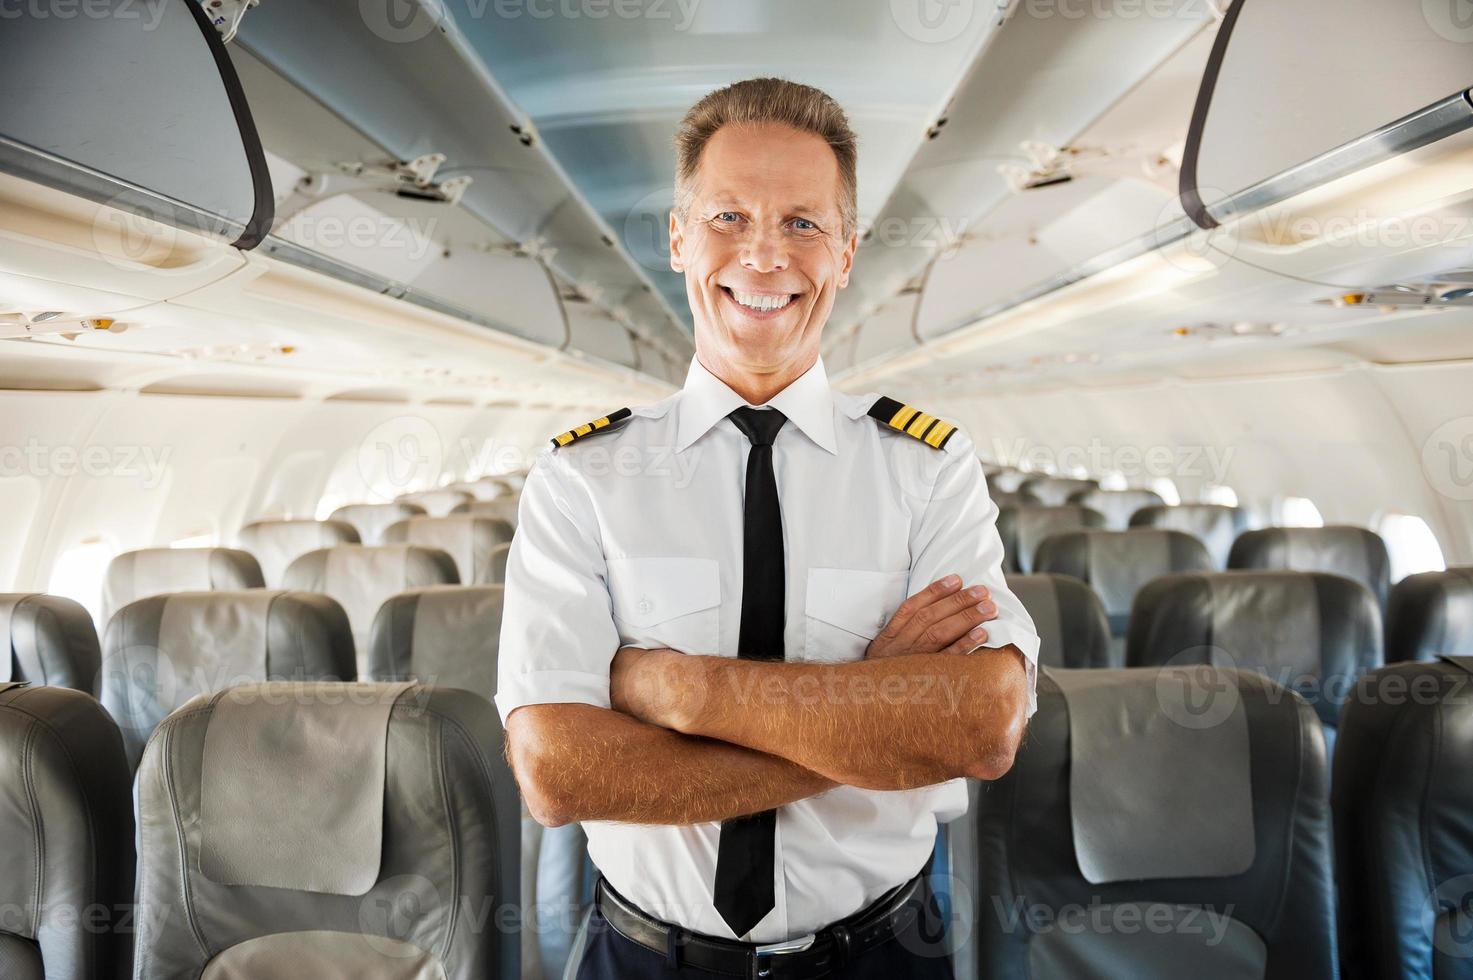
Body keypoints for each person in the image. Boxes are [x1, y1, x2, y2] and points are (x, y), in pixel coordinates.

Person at [497, 76, 1039, 979]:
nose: (763, 257)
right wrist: (868, 712)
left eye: (801, 223)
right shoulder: (579, 478)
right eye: (726, 219)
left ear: (846, 251)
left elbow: (980, 725)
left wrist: (674, 692)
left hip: (882, 954)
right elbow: (559, 773)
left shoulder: (927, 468)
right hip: (640, 958)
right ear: (677, 238)